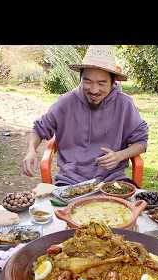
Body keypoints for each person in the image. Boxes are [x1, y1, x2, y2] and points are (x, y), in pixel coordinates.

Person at [22, 45, 148, 186]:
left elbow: (141, 143)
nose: (94, 90)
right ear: (80, 78)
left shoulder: (124, 104)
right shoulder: (66, 102)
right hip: (70, 182)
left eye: (102, 83)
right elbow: (39, 129)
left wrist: (119, 156)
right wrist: (31, 150)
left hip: (112, 181)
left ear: (113, 82)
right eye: (87, 81)